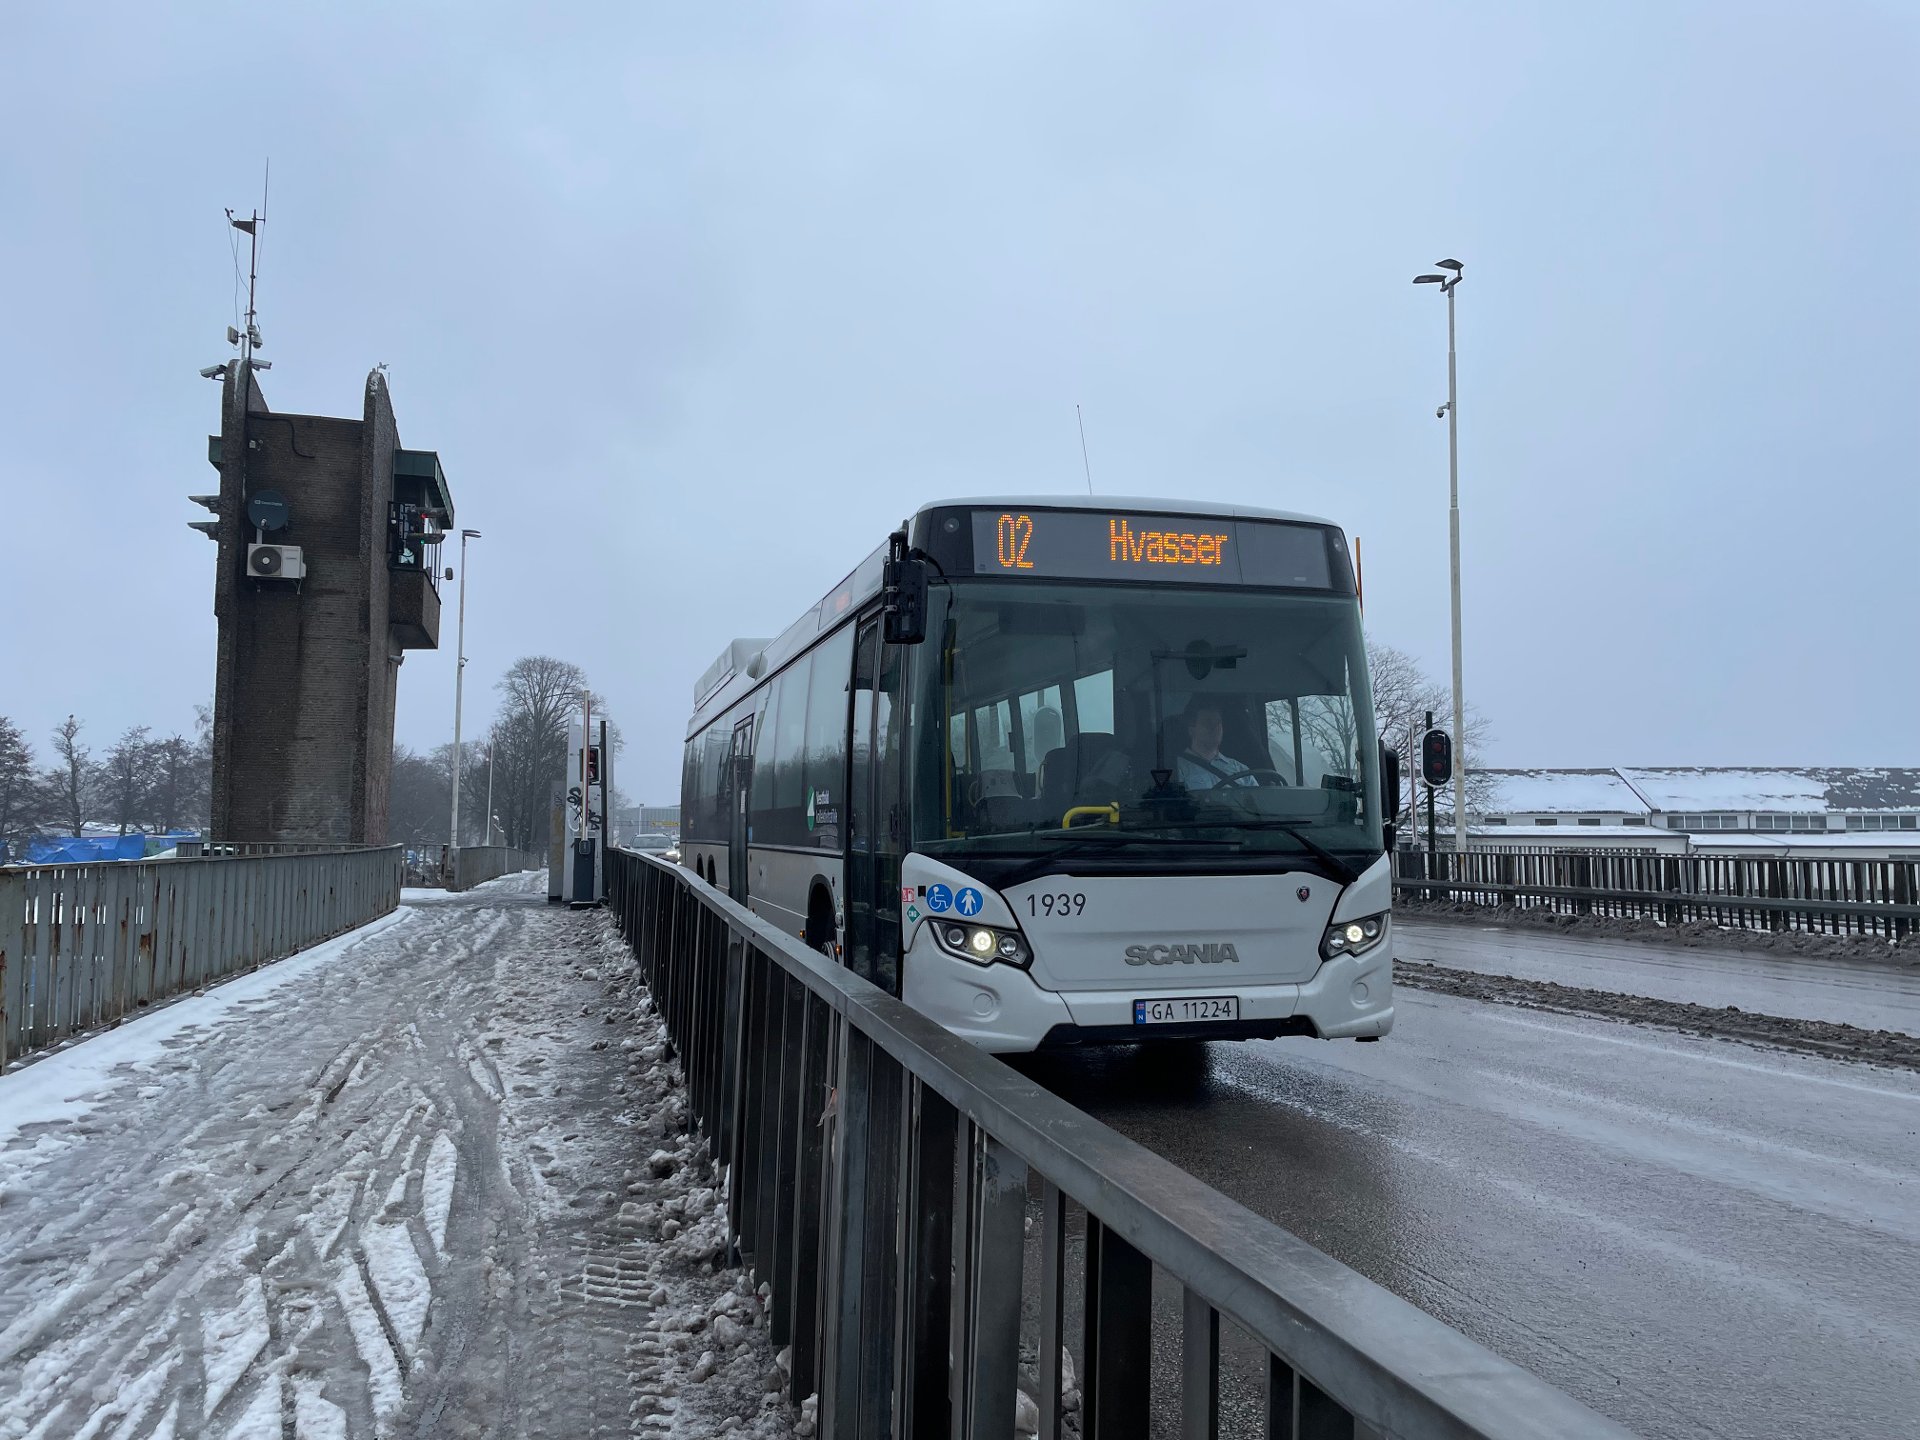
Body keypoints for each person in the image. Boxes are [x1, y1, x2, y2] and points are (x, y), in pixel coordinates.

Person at [1176, 699, 1260, 790]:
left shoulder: (1240, 769)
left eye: (1218, 723)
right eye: (1208, 722)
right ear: (1191, 730)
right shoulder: (1178, 768)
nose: (1214, 727)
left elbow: (1258, 802)